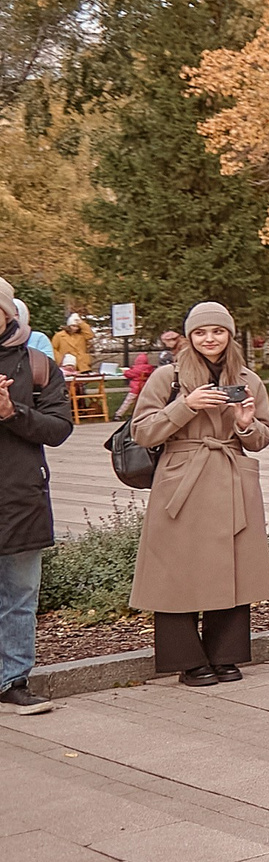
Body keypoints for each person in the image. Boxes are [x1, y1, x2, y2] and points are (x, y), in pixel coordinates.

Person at [129, 303, 269, 686]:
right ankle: (187, 660)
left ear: (230, 335)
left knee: (233, 567)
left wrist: (245, 425)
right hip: (181, 480)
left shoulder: (248, 379)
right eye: (200, 333)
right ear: (190, 337)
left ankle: (226, 655)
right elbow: (142, 431)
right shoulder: (167, 377)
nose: (209, 339)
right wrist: (185, 406)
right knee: (174, 571)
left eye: (218, 331)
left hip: (230, 476)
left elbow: (262, 436)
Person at [0, 283, 74, 714]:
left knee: (20, 596)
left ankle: (13, 680)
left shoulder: (38, 363)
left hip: (20, 495)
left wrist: (13, 413)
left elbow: (59, 428)